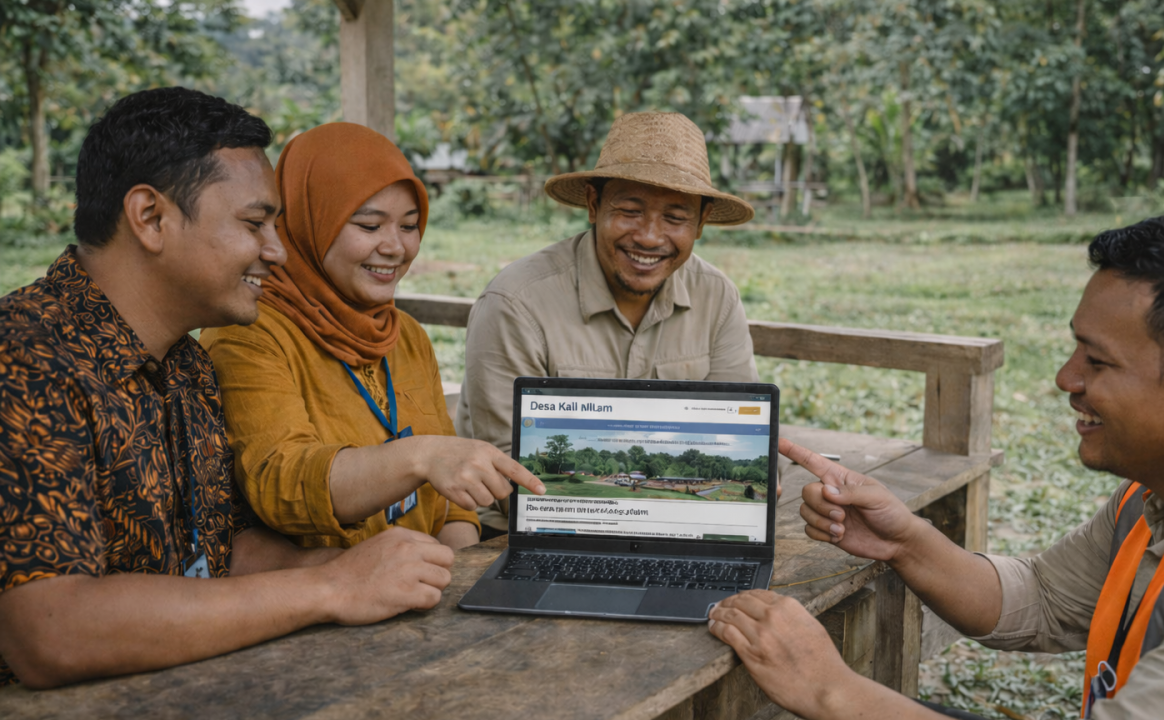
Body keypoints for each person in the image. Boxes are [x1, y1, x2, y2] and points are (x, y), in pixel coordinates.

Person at [708, 212, 1164, 719]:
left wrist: (830, 691)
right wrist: (904, 541)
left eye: (1098, 361)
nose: (1066, 378)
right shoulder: (1157, 501)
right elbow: (1045, 597)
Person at [0, 89, 459, 689]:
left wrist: (358, 567)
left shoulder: (186, 365)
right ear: (150, 217)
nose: (277, 250)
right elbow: (51, 632)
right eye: (253, 224)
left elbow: (221, 549)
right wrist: (328, 587)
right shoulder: (24, 357)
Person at [201, 123, 544, 552]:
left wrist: (456, 573)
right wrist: (419, 457)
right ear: (309, 221)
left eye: (409, 225)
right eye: (369, 225)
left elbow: (451, 505)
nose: (395, 247)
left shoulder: (407, 336)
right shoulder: (248, 335)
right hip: (323, 590)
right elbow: (283, 484)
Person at [455, 111, 759, 532]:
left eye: (675, 218)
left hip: (676, 527)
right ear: (593, 205)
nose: (649, 237)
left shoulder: (717, 297)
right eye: (630, 210)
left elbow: (738, 436)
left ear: (701, 223)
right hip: (517, 532)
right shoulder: (515, 303)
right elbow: (508, 471)